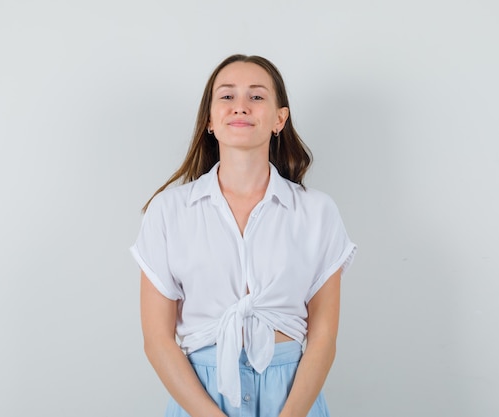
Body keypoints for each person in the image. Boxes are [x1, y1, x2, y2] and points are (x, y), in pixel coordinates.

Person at [130, 54, 356, 417]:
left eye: (256, 96)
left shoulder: (317, 212)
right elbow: (157, 340)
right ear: (209, 120)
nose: (240, 107)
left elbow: (324, 337)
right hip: (200, 397)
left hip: (292, 398)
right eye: (226, 96)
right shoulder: (168, 211)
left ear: (279, 119)